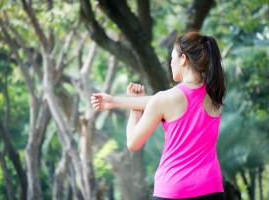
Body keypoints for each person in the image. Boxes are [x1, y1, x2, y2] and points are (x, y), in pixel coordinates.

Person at [91, 30, 227, 200]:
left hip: (174, 191)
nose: (171, 63)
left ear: (183, 59)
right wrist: (113, 101)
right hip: (212, 190)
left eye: (172, 58)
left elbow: (133, 143)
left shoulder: (166, 99)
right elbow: (161, 102)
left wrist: (135, 109)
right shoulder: (215, 95)